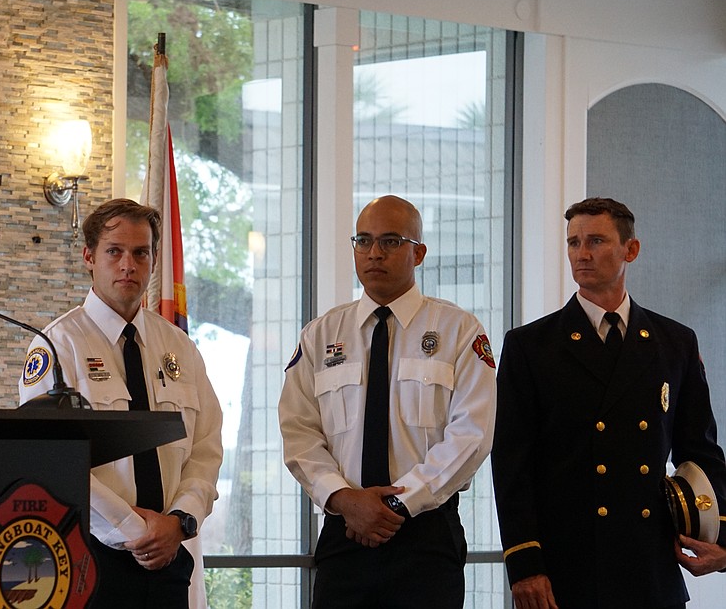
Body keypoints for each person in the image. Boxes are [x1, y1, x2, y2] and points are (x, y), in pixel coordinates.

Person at [492, 197, 726, 609]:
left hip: (648, 564)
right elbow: (512, 463)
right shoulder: (531, 346)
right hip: (564, 566)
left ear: (630, 250)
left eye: (596, 241)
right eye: (573, 243)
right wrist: (524, 562)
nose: (581, 254)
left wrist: (721, 535)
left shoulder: (674, 342)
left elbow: (701, 451)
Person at [278, 195, 497, 607]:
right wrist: (345, 500)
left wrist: (396, 504)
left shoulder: (459, 331)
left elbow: (472, 436)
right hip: (345, 531)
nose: (375, 252)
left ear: (419, 253)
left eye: (391, 241)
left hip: (426, 537)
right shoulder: (321, 335)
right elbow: (298, 431)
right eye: (363, 240)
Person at [18, 198, 223, 608]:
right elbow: (52, 459)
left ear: (152, 260)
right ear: (89, 257)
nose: (128, 264)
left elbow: (206, 448)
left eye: (140, 252)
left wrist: (179, 522)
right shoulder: (57, 346)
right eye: (114, 251)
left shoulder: (178, 346)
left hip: (169, 557)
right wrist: (133, 529)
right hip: (91, 557)